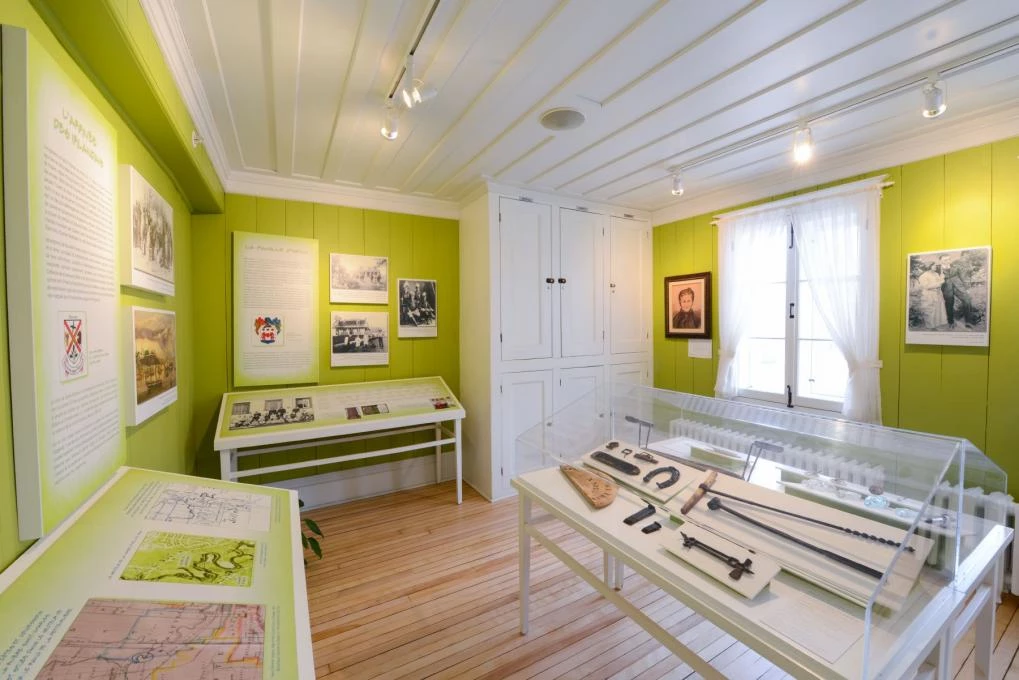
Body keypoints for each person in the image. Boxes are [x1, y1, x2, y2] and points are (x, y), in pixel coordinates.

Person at [941, 258, 973, 329]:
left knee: (967, 300)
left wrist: (967, 288)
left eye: (948, 259)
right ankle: (951, 322)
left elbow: (963, 277)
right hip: (946, 288)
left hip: (959, 287)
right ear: (941, 260)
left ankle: (968, 322)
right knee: (949, 304)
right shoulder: (938, 269)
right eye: (945, 259)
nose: (947, 261)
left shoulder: (956, 267)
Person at [916, 263, 947, 329]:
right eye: (933, 265)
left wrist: (942, 277)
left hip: (937, 293)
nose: (935, 267)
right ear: (929, 266)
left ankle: (937, 324)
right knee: (930, 310)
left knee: (937, 309)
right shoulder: (923, 276)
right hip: (929, 294)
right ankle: (930, 326)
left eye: (935, 265)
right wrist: (939, 283)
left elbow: (940, 282)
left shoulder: (936, 274)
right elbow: (926, 286)